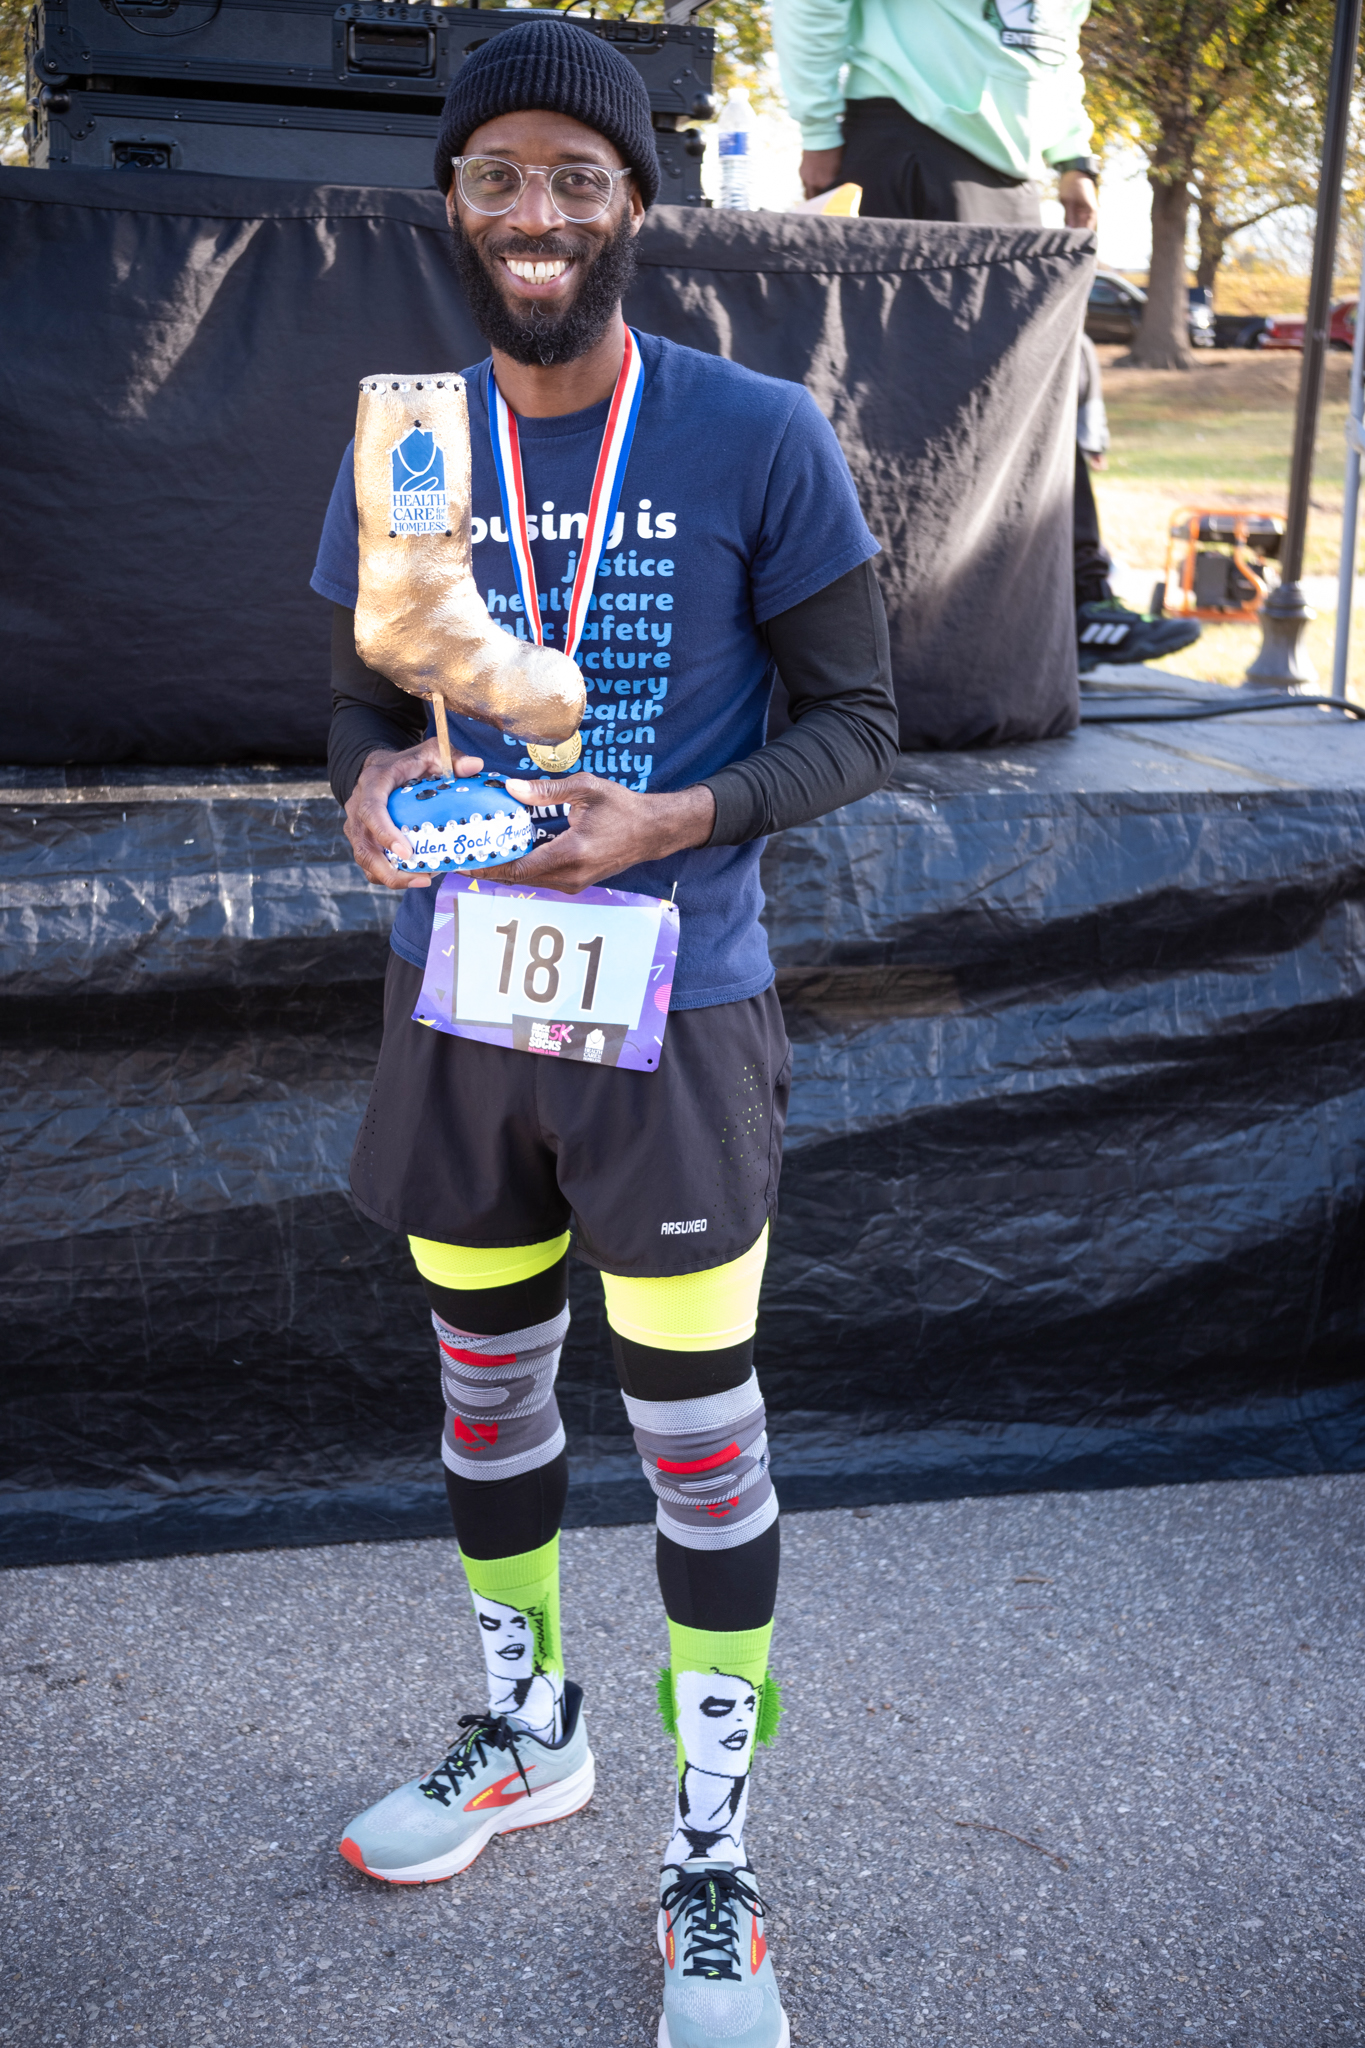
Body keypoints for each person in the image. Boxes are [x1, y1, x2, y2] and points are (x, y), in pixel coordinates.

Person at [309, 19, 899, 2048]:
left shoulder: (752, 432)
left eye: (575, 174)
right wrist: (368, 793)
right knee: (488, 1399)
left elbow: (859, 722)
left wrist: (676, 815)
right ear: (454, 209)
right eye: (498, 178)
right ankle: (524, 1732)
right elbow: (359, 705)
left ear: (635, 200)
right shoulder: (408, 437)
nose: (535, 213)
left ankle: (712, 1857)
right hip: (463, 998)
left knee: (691, 1440)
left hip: (675, 1006)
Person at [773, 0, 1201, 673]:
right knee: (891, 410)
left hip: (1011, 173)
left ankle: (1077, 604)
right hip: (909, 143)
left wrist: (1072, 156)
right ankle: (856, 643)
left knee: (1035, 395)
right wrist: (819, 128)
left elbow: (1046, 45)